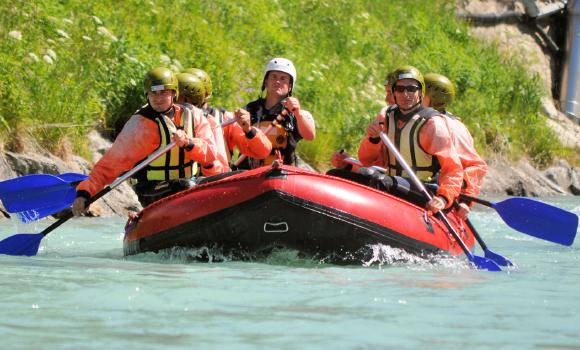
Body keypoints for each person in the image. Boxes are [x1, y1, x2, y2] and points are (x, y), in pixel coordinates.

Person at [71, 67, 217, 214]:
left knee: (213, 183)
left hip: (188, 181)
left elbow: (210, 155)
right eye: (153, 93)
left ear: (174, 93)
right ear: (147, 95)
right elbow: (108, 167)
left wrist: (189, 143)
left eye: (164, 93)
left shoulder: (194, 116)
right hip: (150, 190)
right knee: (186, 186)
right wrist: (84, 193)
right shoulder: (141, 126)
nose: (158, 98)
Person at [358, 65, 464, 213]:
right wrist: (373, 139)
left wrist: (443, 198)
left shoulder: (433, 124)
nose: (405, 94)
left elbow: (453, 169)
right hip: (393, 180)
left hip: (424, 188)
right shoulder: (388, 117)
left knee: (381, 182)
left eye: (412, 89)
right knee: (362, 174)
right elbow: (366, 159)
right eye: (400, 89)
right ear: (394, 92)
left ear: (420, 92)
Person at [181, 68, 272, 174]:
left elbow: (262, 152)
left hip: (215, 180)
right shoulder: (171, 118)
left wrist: (248, 130)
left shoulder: (224, 119)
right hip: (182, 182)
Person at [423, 72, 488, 219]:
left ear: (432, 98)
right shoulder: (413, 119)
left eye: (420, 93)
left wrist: (465, 200)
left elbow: (475, 166)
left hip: (438, 191)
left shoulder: (455, 127)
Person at [235, 57, 316, 169]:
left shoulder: (296, 114)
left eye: (283, 79)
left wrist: (297, 114)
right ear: (266, 81)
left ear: (290, 86)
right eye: (273, 77)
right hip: (248, 174)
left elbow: (310, 135)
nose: (277, 81)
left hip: (281, 174)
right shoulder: (250, 109)